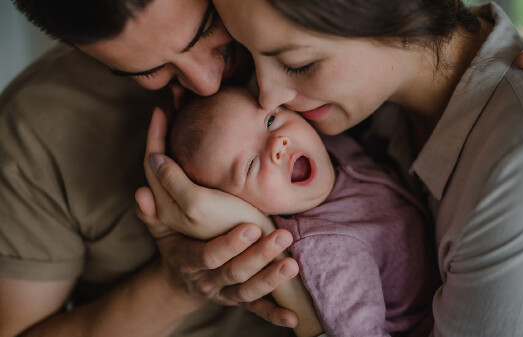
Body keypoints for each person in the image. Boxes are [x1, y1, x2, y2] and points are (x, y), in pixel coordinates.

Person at [1, 0, 523, 335]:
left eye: (209, 27)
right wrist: (180, 282)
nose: (209, 82)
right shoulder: (34, 129)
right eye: (148, 72)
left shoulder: (354, 94)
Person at [167, 86, 440, 336]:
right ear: (243, 207)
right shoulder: (326, 249)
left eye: (271, 120)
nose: (277, 144)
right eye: (250, 165)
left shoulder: (330, 146)